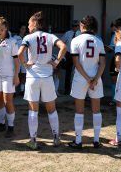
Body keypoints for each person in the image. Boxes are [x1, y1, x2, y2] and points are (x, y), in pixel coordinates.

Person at [18, 11, 67, 150]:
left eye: (29, 23)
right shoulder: (50, 36)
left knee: (33, 110)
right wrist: (56, 61)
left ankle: (33, 140)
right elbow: (63, 47)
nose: (28, 26)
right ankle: (56, 138)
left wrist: (25, 64)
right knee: (51, 109)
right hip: (47, 77)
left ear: (35, 23)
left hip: (33, 77)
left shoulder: (28, 37)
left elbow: (19, 53)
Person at [68, 16, 106, 149]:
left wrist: (87, 78)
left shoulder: (75, 40)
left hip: (80, 78)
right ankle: (96, 140)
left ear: (83, 25)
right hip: (96, 79)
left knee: (79, 111)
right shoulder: (99, 41)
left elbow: (76, 63)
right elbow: (102, 63)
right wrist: (95, 79)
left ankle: (78, 141)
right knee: (96, 111)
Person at [0, 17, 20, 138]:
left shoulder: (12, 41)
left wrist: (16, 75)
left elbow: (17, 61)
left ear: (6, 28)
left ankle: (11, 126)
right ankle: (1, 124)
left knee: (8, 101)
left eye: (1, 29)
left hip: (9, 75)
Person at [61, 20, 80, 94]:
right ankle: (67, 90)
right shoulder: (68, 33)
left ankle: (76, 89)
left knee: (78, 72)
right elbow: (61, 41)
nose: (74, 27)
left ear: (78, 26)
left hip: (78, 54)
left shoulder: (80, 34)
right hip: (69, 54)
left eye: (76, 26)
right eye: (73, 26)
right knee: (68, 73)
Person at [12, 23, 27, 95]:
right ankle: (13, 91)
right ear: (19, 29)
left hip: (24, 59)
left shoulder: (27, 38)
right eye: (22, 28)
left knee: (24, 75)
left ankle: (22, 90)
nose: (23, 30)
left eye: (24, 29)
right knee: (16, 74)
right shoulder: (15, 37)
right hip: (16, 59)